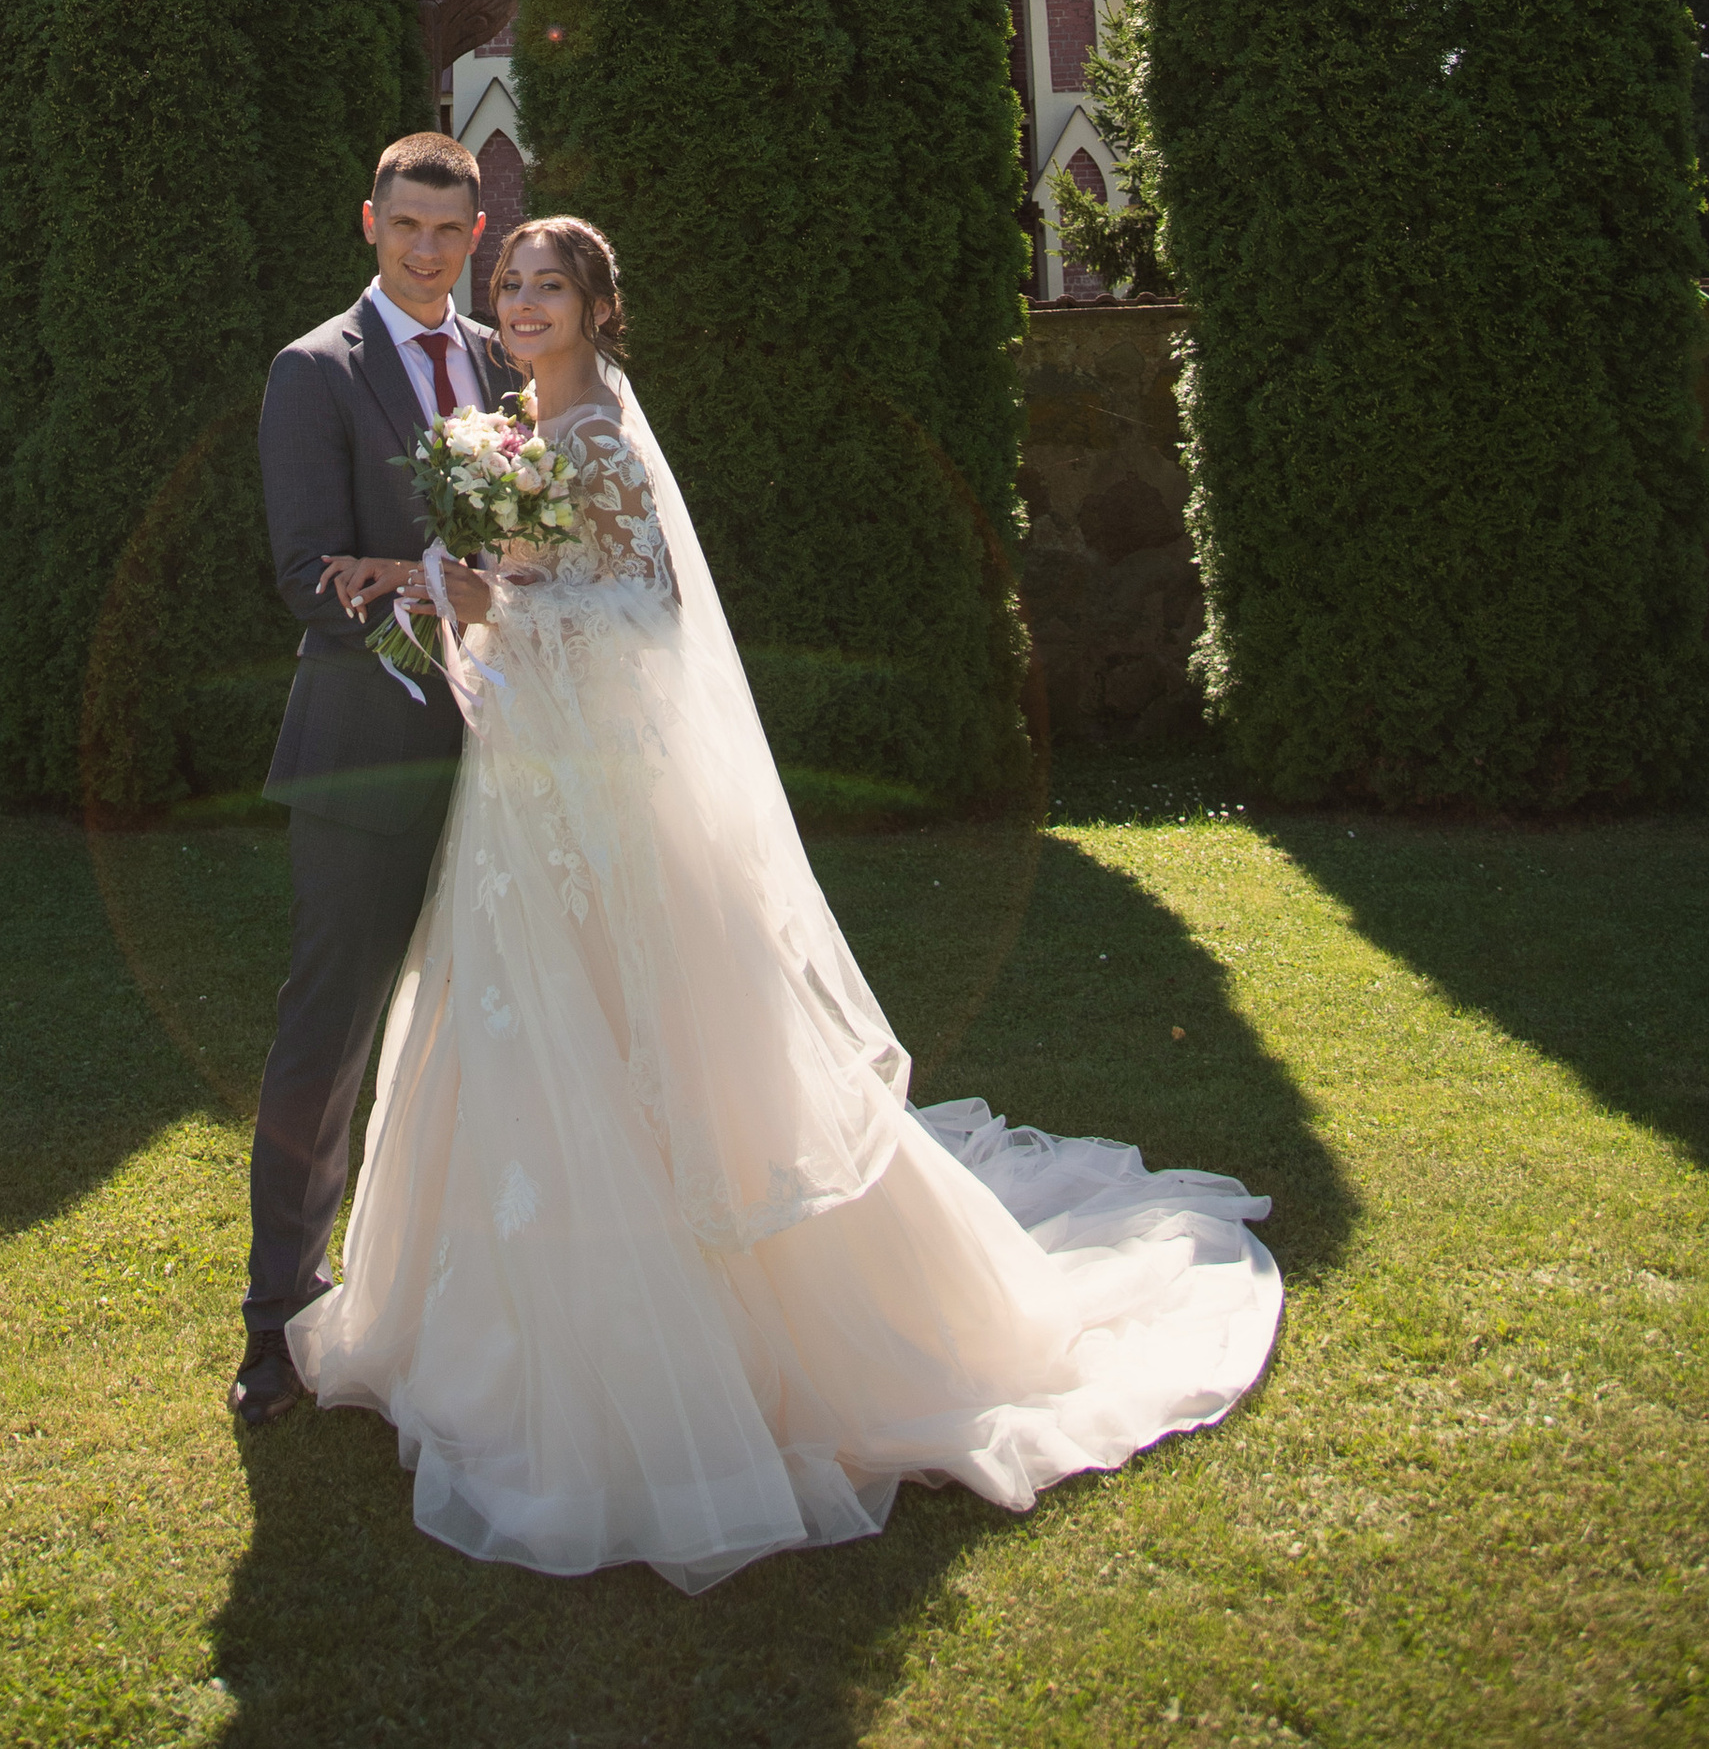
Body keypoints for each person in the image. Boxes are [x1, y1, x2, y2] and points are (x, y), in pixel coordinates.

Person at [288, 214, 1285, 1592]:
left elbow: (638, 621)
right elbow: (512, 608)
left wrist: (479, 597)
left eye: (546, 285)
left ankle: (705, 1350)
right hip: (525, 806)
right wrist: (455, 593)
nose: (519, 302)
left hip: (601, 803)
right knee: (519, 1031)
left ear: (596, 307)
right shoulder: (508, 434)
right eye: (508, 281)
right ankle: (486, 1337)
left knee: (643, 1047)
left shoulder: (596, 442)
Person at [230, 132, 504, 1430]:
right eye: (408, 225)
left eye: (450, 230)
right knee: (327, 1035)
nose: (428, 248)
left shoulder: (508, 365)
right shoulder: (313, 371)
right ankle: (276, 1318)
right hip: (363, 749)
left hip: (506, 761)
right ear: (370, 222)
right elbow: (305, 569)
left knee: (497, 1024)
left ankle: (473, 1296)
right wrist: (434, 629)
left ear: (479, 233)